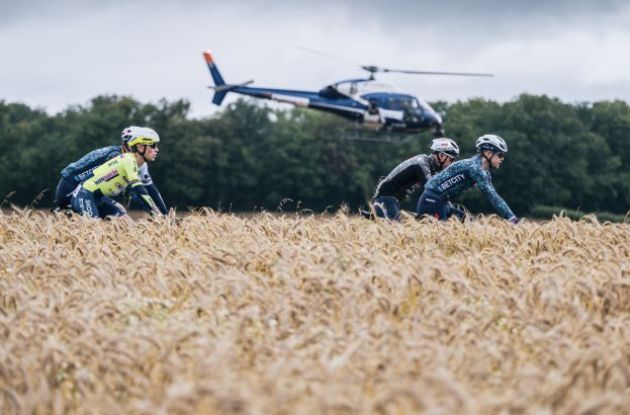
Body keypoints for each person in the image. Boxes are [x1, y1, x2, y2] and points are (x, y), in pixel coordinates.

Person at [53, 126, 168, 214]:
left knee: (120, 212)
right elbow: (136, 188)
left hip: (94, 191)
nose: (127, 144)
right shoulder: (116, 156)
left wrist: (165, 213)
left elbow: (150, 188)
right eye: (126, 141)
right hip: (71, 184)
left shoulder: (140, 163)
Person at [416, 134, 518, 223]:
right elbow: (492, 196)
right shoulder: (476, 168)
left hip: (440, 201)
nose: (502, 158)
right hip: (432, 202)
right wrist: (511, 218)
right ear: (488, 153)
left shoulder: (479, 167)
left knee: (469, 227)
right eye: (500, 155)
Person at [371, 138, 460, 220]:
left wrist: (450, 209)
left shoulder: (431, 167)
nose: (452, 163)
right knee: (394, 230)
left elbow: (439, 192)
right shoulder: (421, 164)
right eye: (452, 159)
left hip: (393, 200)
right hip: (385, 198)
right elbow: (433, 189)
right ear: (441, 155)